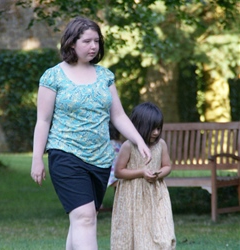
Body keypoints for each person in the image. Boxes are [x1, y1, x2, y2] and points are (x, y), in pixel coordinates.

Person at [30, 16, 151, 250]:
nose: (93, 46)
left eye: (97, 41)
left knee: (83, 218)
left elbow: (118, 116)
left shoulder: (105, 76)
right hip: (65, 154)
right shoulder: (53, 76)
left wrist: (138, 140)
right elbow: (43, 121)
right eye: (87, 41)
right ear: (71, 43)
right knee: (84, 217)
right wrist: (37, 159)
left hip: (100, 159)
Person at [110, 102, 176, 250]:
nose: (156, 132)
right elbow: (119, 172)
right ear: (139, 126)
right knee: (135, 232)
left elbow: (167, 166)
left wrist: (158, 174)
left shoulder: (161, 145)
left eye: (159, 128)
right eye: (153, 128)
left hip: (156, 195)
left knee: (162, 231)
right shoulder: (128, 146)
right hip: (132, 197)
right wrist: (141, 172)